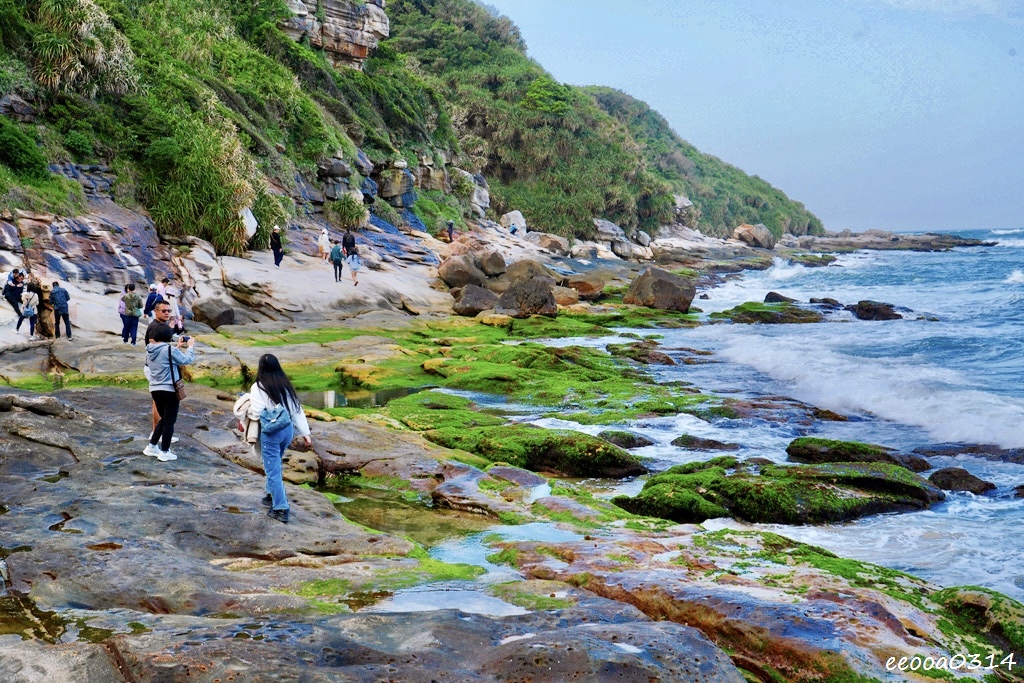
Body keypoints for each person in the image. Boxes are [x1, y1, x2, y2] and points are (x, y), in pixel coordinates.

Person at [247, 354, 311, 524]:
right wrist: (306, 433)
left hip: (271, 433)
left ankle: (281, 508)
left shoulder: (258, 387)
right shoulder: (285, 384)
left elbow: (257, 411)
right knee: (275, 464)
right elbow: (297, 410)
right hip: (287, 430)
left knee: (273, 471)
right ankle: (270, 494)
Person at [144, 324, 195, 461]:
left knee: (164, 420)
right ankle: (165, 452)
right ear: (166, 335)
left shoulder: (149, 351)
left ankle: (152, 446)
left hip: (155, 390)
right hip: (169, 390)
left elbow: (165, 359)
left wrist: (177, 347)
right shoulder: (168, 349)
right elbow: (186, 360)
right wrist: (190, 347)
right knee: (169, 422)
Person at [144, 300, 178, 444]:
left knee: (159, 401)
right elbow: (155, 349)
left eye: (169, 311)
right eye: (163, 311)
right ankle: (156, 432)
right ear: (155, 311)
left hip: (156, 367)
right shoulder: (154, 327)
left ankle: (160, 432)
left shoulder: (161, 326)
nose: (167, 313)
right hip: (154, 368)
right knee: (158, 402)